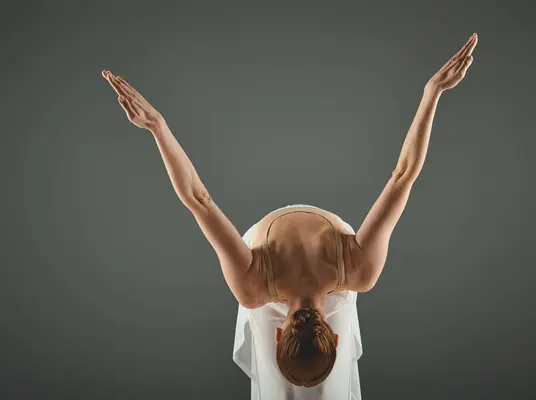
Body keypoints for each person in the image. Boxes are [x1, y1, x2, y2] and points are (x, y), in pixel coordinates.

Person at [102, 33, 478, 399]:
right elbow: (197, 200)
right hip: (286, 268)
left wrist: (433, 92)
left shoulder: (357, 271)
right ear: (281, 335)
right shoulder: (255, 286)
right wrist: (157, 126)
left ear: (331, 335)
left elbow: (403, 175)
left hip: (301, 262)